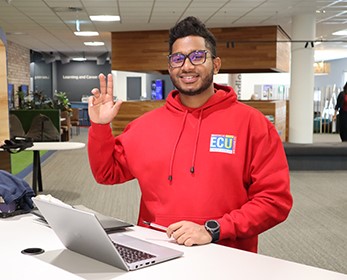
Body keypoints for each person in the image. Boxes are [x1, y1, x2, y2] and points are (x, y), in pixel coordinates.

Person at [87, 16, 292, 253]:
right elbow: (106, 173)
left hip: (227, 252)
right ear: (170, 66)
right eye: (178, 58)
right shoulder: (145, 126)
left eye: (197, 56)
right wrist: (100, 127)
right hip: (156, 250)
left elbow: (275, 201)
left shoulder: (252, 124)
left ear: (215, 64)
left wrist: (214, 229)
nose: (187, 66)